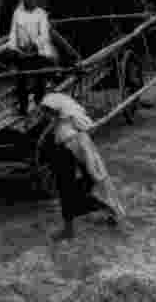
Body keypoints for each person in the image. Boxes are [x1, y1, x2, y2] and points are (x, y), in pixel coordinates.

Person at [40, 93, 125, 241]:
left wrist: (90, 173)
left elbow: (86, 158)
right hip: (67, 169)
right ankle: (72, 228)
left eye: (47, 111)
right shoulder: (61, 124)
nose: (46, 115)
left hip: (71, 169)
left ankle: (106, 209)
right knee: (68, 198)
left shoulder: (70, 133)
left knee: (72, 197)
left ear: (56, 111)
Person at [7, 0, 57, 116]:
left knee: (39, 79)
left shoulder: (41, 14)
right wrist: (12, 47)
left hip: (37, 52)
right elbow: (13, 32)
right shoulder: (17, 13)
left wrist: (35, 44)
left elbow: (45, 35)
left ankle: (39, 103)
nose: (26, 0)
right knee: (21, 81)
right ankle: (23, 108)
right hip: (22, 52)